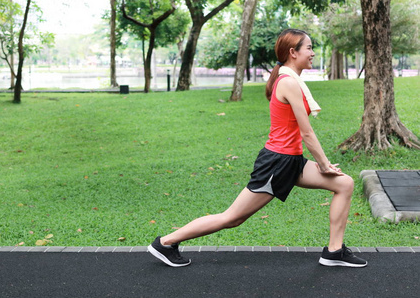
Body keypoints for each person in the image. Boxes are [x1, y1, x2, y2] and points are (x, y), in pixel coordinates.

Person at [148, 29, 367, 268]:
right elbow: (307, 133)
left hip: (292, 160)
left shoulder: (291, 80)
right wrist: (324, 164)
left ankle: (334, 252)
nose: (313, 53)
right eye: (309, 48)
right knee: (232, 218)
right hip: (277, 163)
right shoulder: (288, 83)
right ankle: (166, 243)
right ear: (293, 53)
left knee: (344, 183)